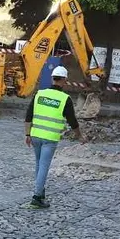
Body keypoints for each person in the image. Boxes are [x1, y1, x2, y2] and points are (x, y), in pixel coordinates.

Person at [24, 65, 85, 209]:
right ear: (64, 80)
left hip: (35, 136)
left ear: (52, 78)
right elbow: (72, 121)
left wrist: (27, 134)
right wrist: (79, 136)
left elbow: (28, 115)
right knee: (44, 166)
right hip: (50, 138)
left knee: (39, 164)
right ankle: (36, 198)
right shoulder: (65, 99)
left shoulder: (40, 94)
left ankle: (41, 190)